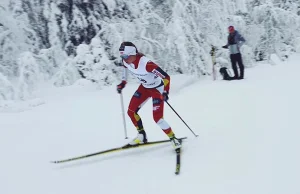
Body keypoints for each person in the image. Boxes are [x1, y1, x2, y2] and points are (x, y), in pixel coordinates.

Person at [116, 41, 181, 149]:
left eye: (126, 56)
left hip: (156, 89)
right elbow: (125, 69)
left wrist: (165, 92)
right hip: (144, 88)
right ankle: (141, 135)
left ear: (133, 53)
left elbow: (166, 77)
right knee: (131, 112)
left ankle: (173, 138)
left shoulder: (147, 64)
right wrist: (123, 82)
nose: (124, 58)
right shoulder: (126, 61)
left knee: (157, 118)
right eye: (122, 56)